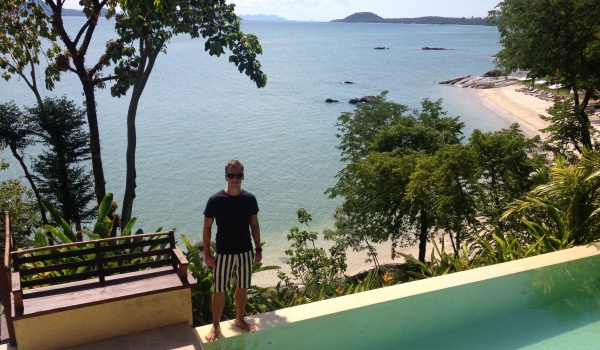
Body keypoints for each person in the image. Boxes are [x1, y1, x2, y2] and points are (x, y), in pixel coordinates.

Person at [202, 160, 262, 342]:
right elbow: (207, 227)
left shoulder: (249, 199)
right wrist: (206, 253)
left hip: (245, 252)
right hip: (224, 253)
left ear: (243, 176)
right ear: (226, 177)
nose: (234, 179)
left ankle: (239, 319)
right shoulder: (215, 200)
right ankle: (216, 325)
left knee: (242, 288)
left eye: (238, 175)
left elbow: (254, 224)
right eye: (231, 175)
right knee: (219, 290)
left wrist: (258, 250)